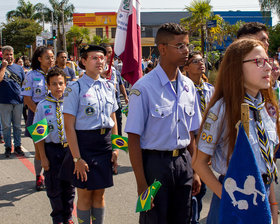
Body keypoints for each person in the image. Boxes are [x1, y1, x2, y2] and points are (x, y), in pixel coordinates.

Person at [193, 38, 279, 224]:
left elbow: (267, 164)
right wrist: (229, 199)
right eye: (258, 61)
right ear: (237, 67)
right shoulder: (222, 109)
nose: (268, 67)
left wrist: (273, 205)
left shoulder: (268, 108)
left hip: (261, 198)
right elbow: (199, 163)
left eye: (268, 60)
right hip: (235, 198)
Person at [125, 23, 201, 224]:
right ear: (162, 48)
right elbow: (133, 138)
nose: (186, 51)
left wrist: (194, 171)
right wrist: (142, 184)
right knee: (154, 219)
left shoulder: (188, 86)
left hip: (183, 162)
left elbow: (191, 133)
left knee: (182, 218)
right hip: (155, 166)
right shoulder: (144, 88)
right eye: (180, 46)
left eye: (187, 45)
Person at [63, 45, 119, 224]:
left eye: (102, 58)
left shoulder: (108, 86)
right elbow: (69, 126)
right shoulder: (75, 88)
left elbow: (113, 119)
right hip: (84, 145)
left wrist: (116, 148)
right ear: (84, 61)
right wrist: (76, 159)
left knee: (100, 194)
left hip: (104, 145)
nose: (99, 61)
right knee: (85, 195)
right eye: (94, 58)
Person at [33, 67, 75, 224]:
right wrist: (42, 157)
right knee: (54, 187)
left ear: (65, 84)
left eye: (61, 83)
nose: (58, 87)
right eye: (54, 84)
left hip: (69, 150)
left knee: (69, 187)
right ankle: (57, 218)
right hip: (52, 150)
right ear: (48, 86)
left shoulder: (71, 103)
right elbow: (39, 135)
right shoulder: (42, 106)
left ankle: (68, 216)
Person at [184, 51, 214, 224]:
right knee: (190, 186)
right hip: (190, 142)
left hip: (207, 143)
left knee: (201, 188)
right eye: (195, 61)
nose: (200, 63)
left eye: (202, 60)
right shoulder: (184, 89)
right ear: (186, 67)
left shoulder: (211, 90)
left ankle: (195, 216)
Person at [21, 46, 55, 191]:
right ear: (39, 59)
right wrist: (41, 114)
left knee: (54, 147)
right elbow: (27, 100)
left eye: (52, 57)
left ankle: (51, 176)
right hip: (38, 118)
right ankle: (38, 177)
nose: (51, 60)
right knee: (40, 151)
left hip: (56, 118)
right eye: (48, 57)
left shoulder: (56, 74)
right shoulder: (31, 75)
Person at [0, 46, 25, 157]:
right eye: (7, 54)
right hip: (4, 101)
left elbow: (24, 83)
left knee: (17, 126)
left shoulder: (19, 68)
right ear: (3, 56)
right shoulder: (1, 67)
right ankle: (8, 147)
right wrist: (3, 67)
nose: (9, 57)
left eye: (11, 54)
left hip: (18, 100)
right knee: (6, 126)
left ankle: (18, 146)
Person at [100, 43, 129, 137]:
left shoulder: (115, 71)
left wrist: (125, 97)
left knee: (118, 126)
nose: (110, 55)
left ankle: (118, 147)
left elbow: (121, 85)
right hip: (104, 106)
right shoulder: (97, 71)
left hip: (116, 103)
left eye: (111, 52)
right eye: (108, 52)